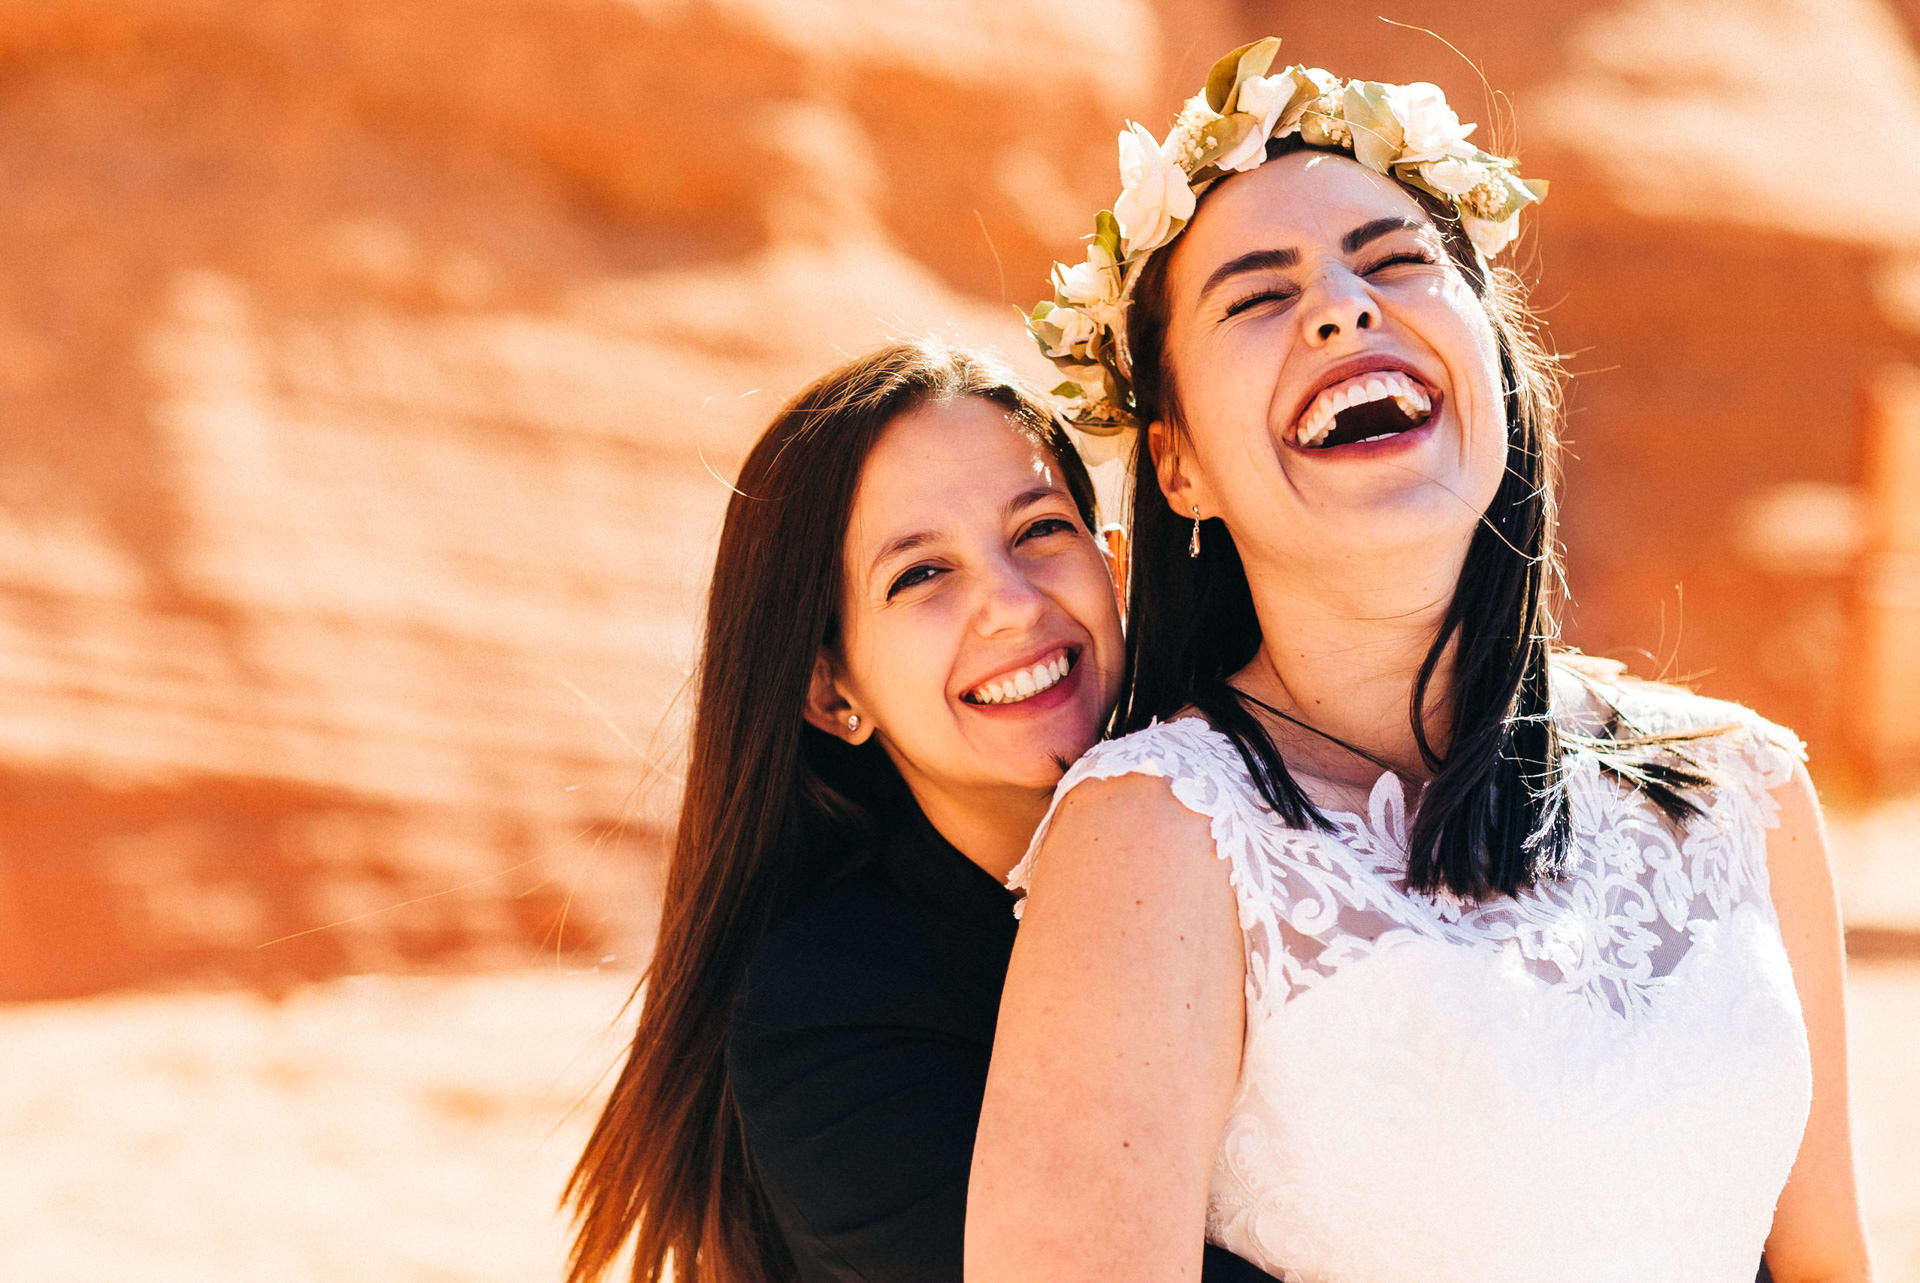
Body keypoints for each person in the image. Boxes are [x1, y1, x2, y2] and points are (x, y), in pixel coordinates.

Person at [966, 38, 1873, 1283]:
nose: (1343, 305)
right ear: (1178, 465)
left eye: (1396, 260)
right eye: (1257, 294)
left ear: (1494, 359)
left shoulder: (1744, 788)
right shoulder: (1159, 832)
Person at [563, 341, 1282, 1283]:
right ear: (831, 689)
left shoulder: (1273, 819)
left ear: (1114, 567)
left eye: (1038, 532)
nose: (1012, 607)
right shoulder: (827, 1026)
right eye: (920, 575)